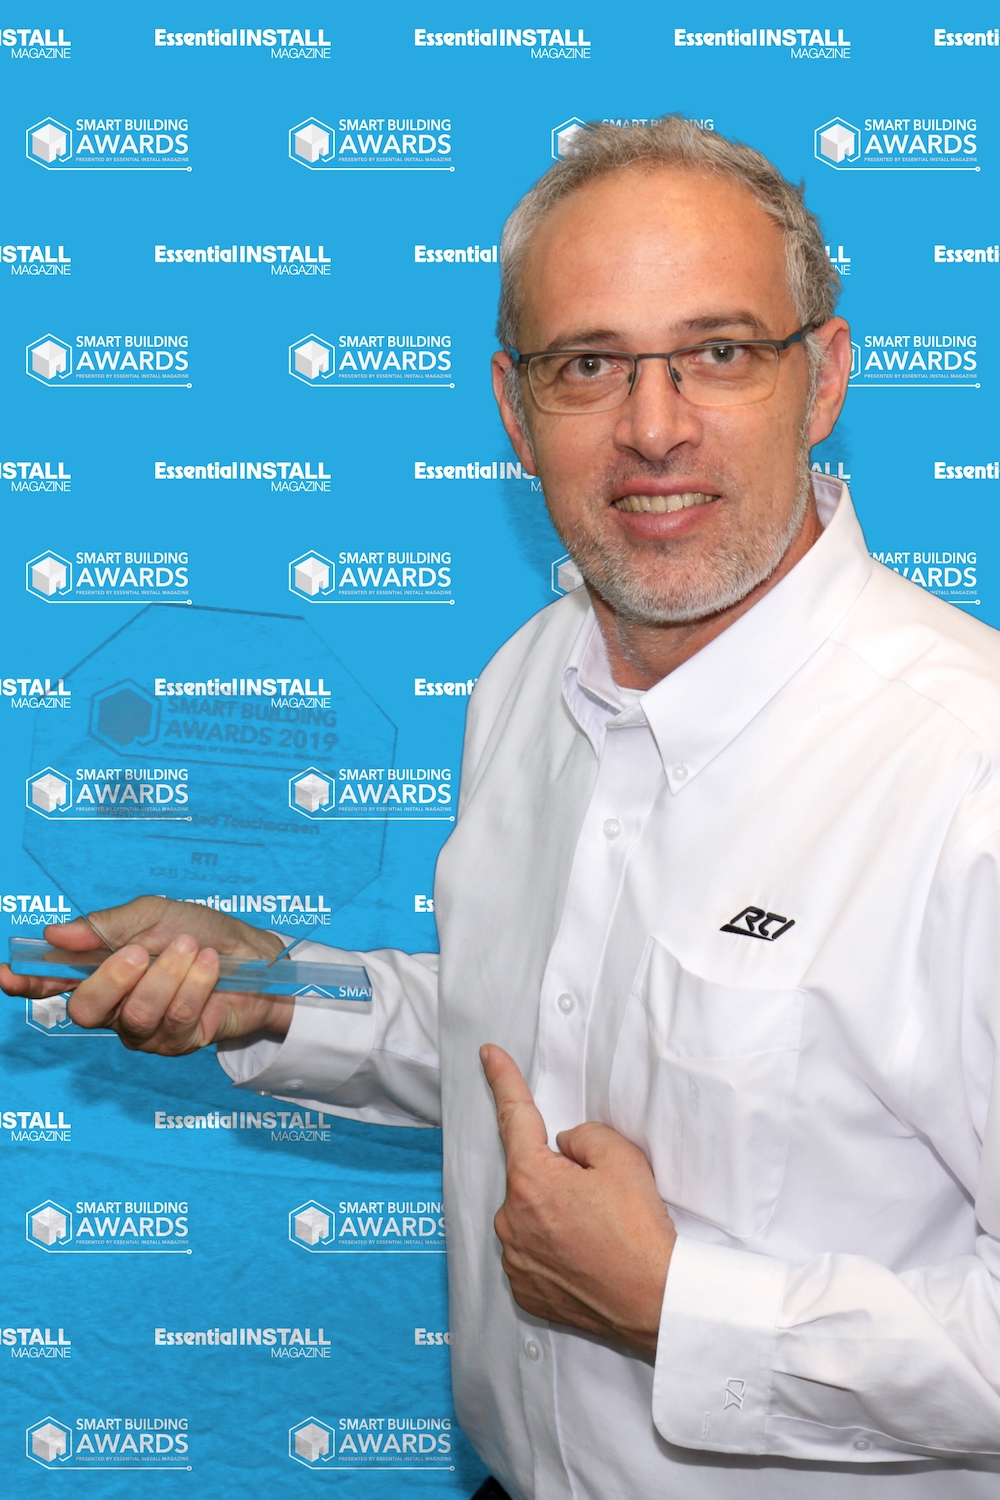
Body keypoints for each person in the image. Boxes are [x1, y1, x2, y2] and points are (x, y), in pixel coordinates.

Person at [5, 116, 1000, 1498]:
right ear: (514, 410)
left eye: (719, 352)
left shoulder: (968, 776)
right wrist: (276, 993)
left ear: (823, 376)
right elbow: (539, 1035)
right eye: (588, 364)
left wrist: (681, 1311)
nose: (654, 428)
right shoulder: (525, 682)